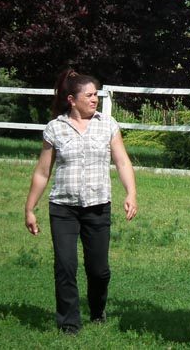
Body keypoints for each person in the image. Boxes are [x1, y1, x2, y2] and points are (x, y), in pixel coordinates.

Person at [24, 69, 138, 335]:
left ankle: (97, 309)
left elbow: (122, 162)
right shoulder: (55, 128)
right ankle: (69, 323)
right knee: (65, 266)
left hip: (98, 206)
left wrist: (131, 193)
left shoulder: (107, 124)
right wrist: (30, 208)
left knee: (99, 271)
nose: (95, 99)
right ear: (71, 100)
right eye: (89, 95)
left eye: (96, 95)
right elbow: (42, 172)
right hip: (63, 207)